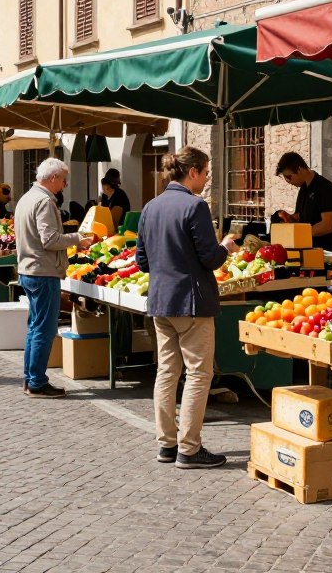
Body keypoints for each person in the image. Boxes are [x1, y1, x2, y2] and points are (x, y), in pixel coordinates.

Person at [135, 146, 239, 468]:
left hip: (160, 302)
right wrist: (225, 247)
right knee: (198, 374)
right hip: (191, 302)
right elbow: (210, 257)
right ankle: (189, 449)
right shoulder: (194, 206)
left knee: (166, 373)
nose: (206, 179)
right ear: (192, 171)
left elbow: (141, 262)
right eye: (206, 172)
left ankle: (166, 444)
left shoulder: (150, 207)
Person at [15, 158, 93, 398]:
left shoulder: (26, 198)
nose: (65, 183)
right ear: (52, 178)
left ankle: (31, 379)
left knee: (34, 328)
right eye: (62, 179)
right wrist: (77, 238)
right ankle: (37, 382)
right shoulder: (44, 201)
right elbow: (50, 240)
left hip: (28, 269)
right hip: (42, 271)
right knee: (44, 330)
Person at [273, 153, 332, 251]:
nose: (288, 181)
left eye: (289, 177)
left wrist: (300, 233)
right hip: (304, 249)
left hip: (322, 252)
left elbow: (327, 225)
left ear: (299, 170)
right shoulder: (304, 189)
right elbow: (302, 217)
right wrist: (290, 218)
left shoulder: (325, 188)